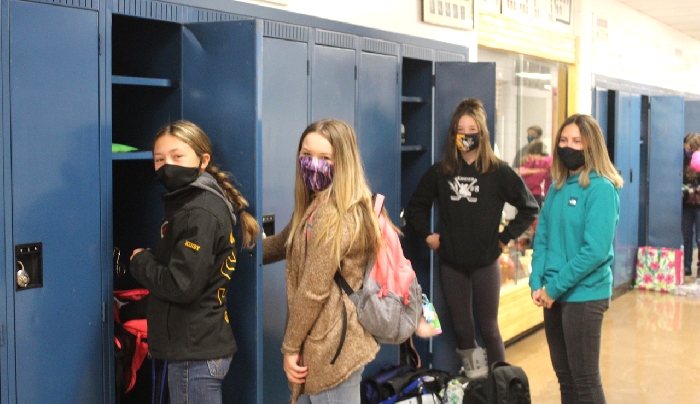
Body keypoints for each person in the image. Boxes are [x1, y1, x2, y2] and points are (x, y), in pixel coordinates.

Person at [406, 98, 539, 379]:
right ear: (454, 133)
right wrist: (428, 236)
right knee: (463, 329)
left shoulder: (498, 172)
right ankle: (477, 383)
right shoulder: (442, 171)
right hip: (452, 264)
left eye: (472, 128)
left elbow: (529, 207)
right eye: (461, 129)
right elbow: (416, 207)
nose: (466, 134)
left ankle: (502, 386)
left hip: (485, 263)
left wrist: (504, 238)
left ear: (482, 133)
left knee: (489, 328)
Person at [129, 120, 260, 404]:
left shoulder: (199, 211)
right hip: (197, 347)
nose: (167, 166)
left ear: (203, 161)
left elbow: (181, 285)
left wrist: (141, 262)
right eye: (159, 159)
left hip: (195, 354)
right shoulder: (194, 203)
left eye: (178, 157)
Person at [262, 119, 388, 404]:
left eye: (325, 158)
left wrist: (290, 347)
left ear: (343, 161)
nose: (313, 164)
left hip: (334, 347)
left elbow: (313, 290)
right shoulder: (316, 202)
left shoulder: (337, 215)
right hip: (324, 341)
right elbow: (285, 242)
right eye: (306, 156)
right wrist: (237, 249)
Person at [530, 114, 623, 404]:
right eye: (564, 140)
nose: (568, 146)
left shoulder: (601, 190)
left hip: (584, 295)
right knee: (565, 379)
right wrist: (537, 282)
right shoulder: (557, 187)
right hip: (551, 295)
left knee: (584, 380)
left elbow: (594, 252)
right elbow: (542, 238)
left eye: (577, 142)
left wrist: (553, 288)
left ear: (591, 146)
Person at [682, 132, 700, 277]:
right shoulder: (683, 161)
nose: (687, 152)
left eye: (689, 149)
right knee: (687, 236)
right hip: (686, 205)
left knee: (699, 237)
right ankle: (686, 266)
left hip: (699, 204)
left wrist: (695, 189)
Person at [519, 139, 553, 208]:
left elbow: (521, 171)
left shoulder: (531, 159)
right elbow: (522, 171)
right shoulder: (530, 159)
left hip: (530, 191)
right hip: (531, 192)